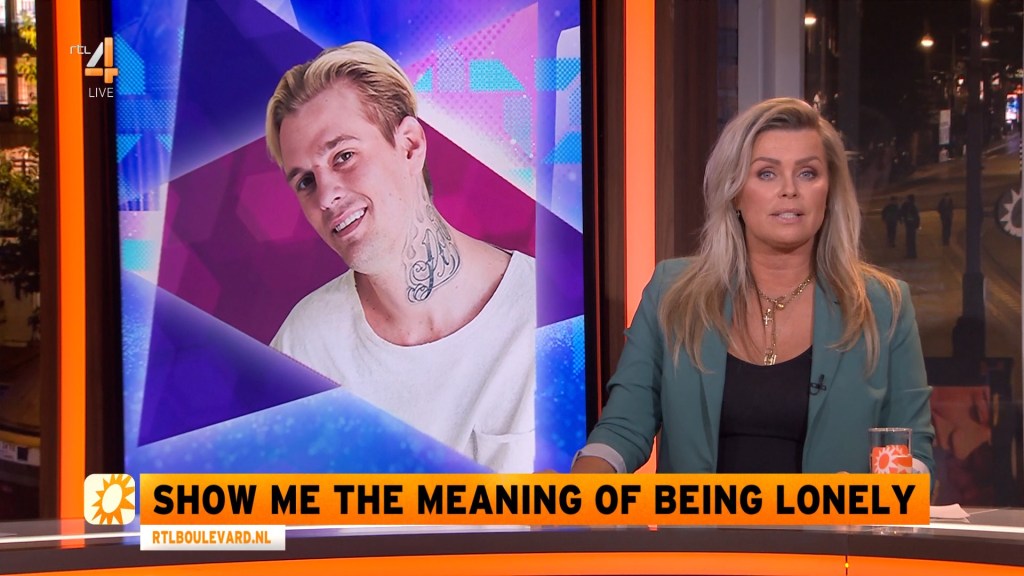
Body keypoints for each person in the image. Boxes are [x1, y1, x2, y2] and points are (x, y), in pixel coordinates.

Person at [572, 98, 934, 476]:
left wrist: (868, 492)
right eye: (766, 173)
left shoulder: (883, 306)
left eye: (807, 173)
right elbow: (623, 427)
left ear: (829, 192)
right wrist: (581, 489)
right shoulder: (673, 293)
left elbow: (914, 452)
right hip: (701, 518)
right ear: (734, 192)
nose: (790, 190)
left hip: (831, 518)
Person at [264, 42, 536, 473]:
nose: (326, 196)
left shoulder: (545, 315)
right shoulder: (305, 347)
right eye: (305, 182)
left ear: (409, 145)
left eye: (344, 156)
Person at [900, 194, 920, 259]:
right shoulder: (913, 206)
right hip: (911, 224)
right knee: (912, 240)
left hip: (910, 224)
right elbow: (917, 217)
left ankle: (910, 254)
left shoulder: (908, 205)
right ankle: (912, 254)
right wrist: (917, 225)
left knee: (909, 240)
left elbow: (902, 212)